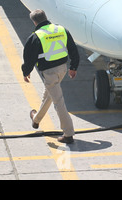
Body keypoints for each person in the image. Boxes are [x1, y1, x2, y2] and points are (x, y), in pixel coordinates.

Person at [22, 9, 80, 144]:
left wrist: (26, 72)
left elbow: (29, 58)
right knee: (48, 95)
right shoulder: (61, 29)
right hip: (62, 69)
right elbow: (73, 49)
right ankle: (36, 120)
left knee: (58, 102)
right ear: (46, 17)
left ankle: (68, 133)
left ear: (34, 21)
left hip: (49, 73)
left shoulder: (36, 36)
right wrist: (73, 67)